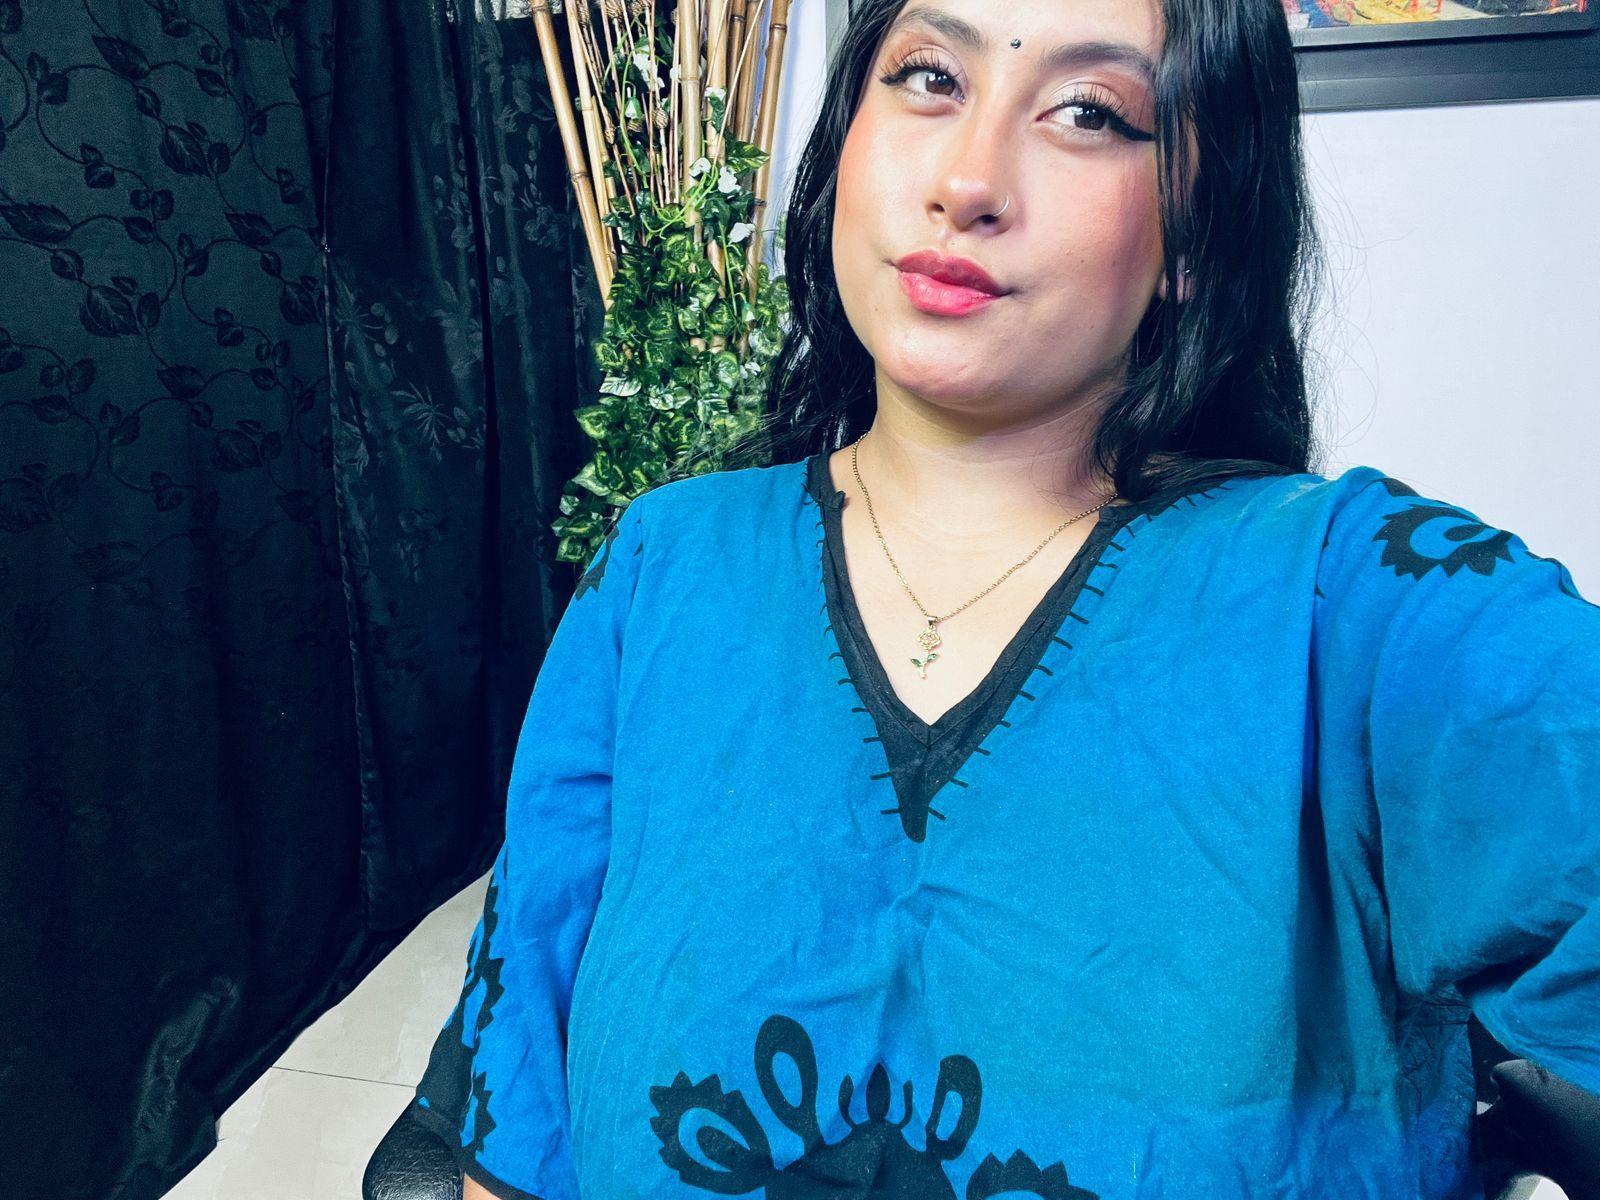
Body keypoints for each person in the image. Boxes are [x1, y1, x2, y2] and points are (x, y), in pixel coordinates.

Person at [408, 1, 1600, 1197]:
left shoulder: (1364, 611)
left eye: (1088, 113)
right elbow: (517, 1113)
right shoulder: (662, 565)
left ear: (1196, 230)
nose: (967, 180)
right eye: (928, 77)